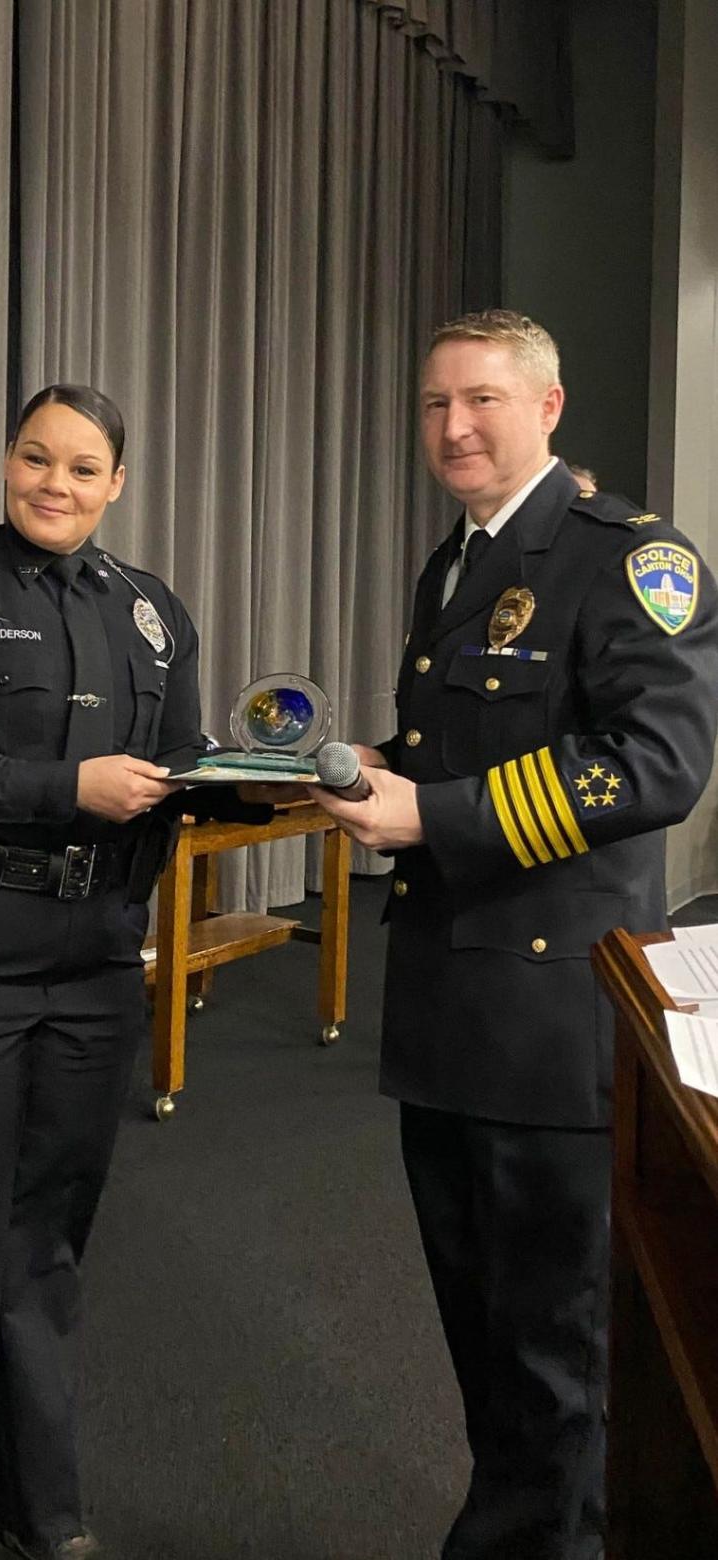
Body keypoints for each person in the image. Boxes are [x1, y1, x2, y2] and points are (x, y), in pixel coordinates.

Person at [306, 309, 718, 1560]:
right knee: (482, 1328)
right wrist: (387, 766)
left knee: (557, 1349)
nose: (454, 427)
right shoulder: (458, 561)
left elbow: (658, 766)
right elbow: (468, 745)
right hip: (445, 1008)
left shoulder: (627, 555)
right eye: (436, 403)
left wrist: (426, 812)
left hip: (550, 1022)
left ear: (547, 406)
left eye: (481, 399)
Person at [0, 383, 263, 1560]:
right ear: (6, 460)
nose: (56, 485)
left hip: (89, 964)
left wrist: (254, 777)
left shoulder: (150, 611)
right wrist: (63, 790)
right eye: (38, 459)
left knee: (44, 1243)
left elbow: (182, 759)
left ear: (116, 485)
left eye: (84, 469)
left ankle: (34, 1512)